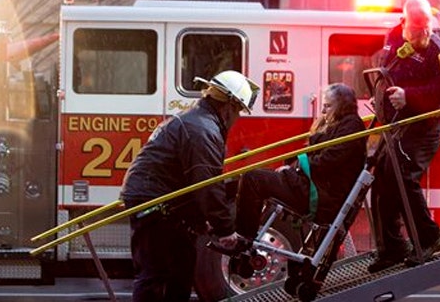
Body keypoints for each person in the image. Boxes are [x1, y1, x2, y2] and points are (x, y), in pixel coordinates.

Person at [120, 70, 260, 302]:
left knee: (181, 270)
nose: (237, 119)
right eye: (238, 112)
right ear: (228, 107)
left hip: (161, 201)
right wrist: (225, 229)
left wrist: (199, 221)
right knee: (155, 274)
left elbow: (191, 182)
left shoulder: (197, 121)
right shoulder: (202, 130)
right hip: (154, 204)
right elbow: (206, 184)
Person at [213, 83, 366, 254]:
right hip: (316, 187)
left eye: (328, 106)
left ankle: (243, 239)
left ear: (342, 105)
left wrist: (294, 169)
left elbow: (328, 160)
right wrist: (291, 166)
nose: (323, 111)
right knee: (249, 178)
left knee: (252, 178)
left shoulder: (352, 126)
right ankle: (236, 232)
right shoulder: (341, 124)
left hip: (322, 195)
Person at [367, 0, 440, 273]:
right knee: (381, 177)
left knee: (403, 175)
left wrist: (410, 96)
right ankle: (391, 248)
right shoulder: (393, 35)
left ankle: (428, 238)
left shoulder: (439, 51)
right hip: (396, 125)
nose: (424, 33)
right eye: (417, 28)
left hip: (424, 126)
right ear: (404, 22)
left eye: (427, 26)